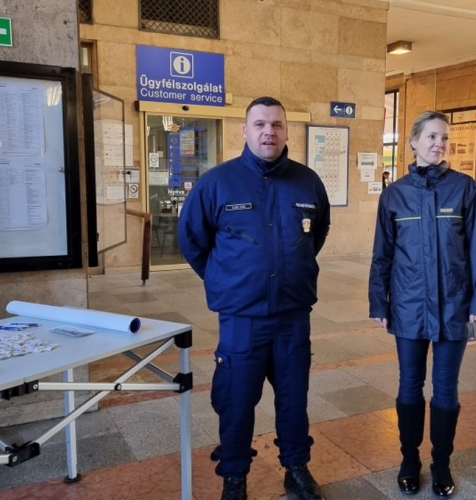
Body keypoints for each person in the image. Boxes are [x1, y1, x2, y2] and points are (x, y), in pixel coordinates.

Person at [178, 96, 331, 500]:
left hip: (292, 316)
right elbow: (192, 239)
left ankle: (296, 469)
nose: (269, 132)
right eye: (260, 124)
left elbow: (316, 234)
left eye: (277, 124)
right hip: (242, 319)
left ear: (286, 131)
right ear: (244, 131)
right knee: (236, 401)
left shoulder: (308, 182)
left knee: (294, 400)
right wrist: (225, 278)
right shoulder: (217, 182)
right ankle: (234, 478)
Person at [368, 111, 476, 497]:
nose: (439, 144)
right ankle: (409, 460)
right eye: (432, 137)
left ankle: (441, 464)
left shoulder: (465, 189)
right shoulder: (394, 195)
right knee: (409, 384)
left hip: (455, 305)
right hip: (408, 305)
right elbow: (382, 255)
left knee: (446, 388)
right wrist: (379, 302)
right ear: (414, 142)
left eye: (444, 138)